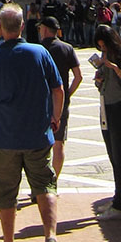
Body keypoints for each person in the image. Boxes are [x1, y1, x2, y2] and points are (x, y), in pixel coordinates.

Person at [0, 2, 64, 242]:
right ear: (23, 27)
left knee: (5, 192)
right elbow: (58, 89)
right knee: (45, 186)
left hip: (4, 137)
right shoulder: (40, 53)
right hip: (38, 135)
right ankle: (50, 239)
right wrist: (55, 118)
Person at [92, 22, 121, 220]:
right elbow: (100, 82)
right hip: (105, 106)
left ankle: (120, 205)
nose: (102, 50)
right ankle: (116, 197)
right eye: (100, 47)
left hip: (119, 107)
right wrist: (99, 78)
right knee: (112, 154)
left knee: (119, 155)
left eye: (104, 46)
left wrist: (115, 68)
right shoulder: (105, 54)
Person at [39, 16, 82, 180]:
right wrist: (68, 93)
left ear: (44, 29)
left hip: (40, 103)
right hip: (61, 102)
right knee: (59, 144)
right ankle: (53, 182)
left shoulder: (38, 49)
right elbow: (78, 76)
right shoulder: (67, 48)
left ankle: (40, 187)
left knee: (40, 146)